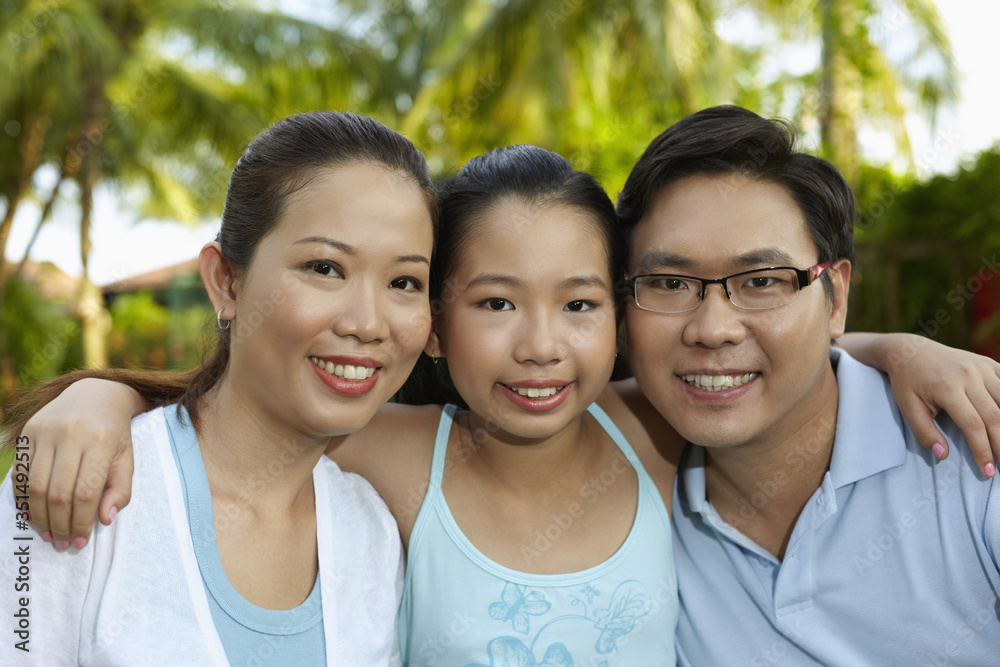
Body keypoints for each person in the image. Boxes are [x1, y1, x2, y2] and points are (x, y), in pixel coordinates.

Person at [9, 138, 1000, 664]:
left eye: (578, 303)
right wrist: (96, 398)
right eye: (492, 302)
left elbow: (751, 357)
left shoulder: (648, 429)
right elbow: (243, 413)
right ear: (434, 322)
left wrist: (895, 345)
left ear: (615, 319)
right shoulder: (394, 452)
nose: (538, 346)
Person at [0, 110, 439, 665]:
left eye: (404, 281)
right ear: (225, 281)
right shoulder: (83, 484)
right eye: (325, 268)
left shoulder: (372, 533)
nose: (368, 323)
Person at [615, 105, 1000, 664]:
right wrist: (894, 346)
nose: (712, 329)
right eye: (671, 282)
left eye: (762, 281)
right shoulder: (627, 490)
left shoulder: (975, 453)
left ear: (835, 297)